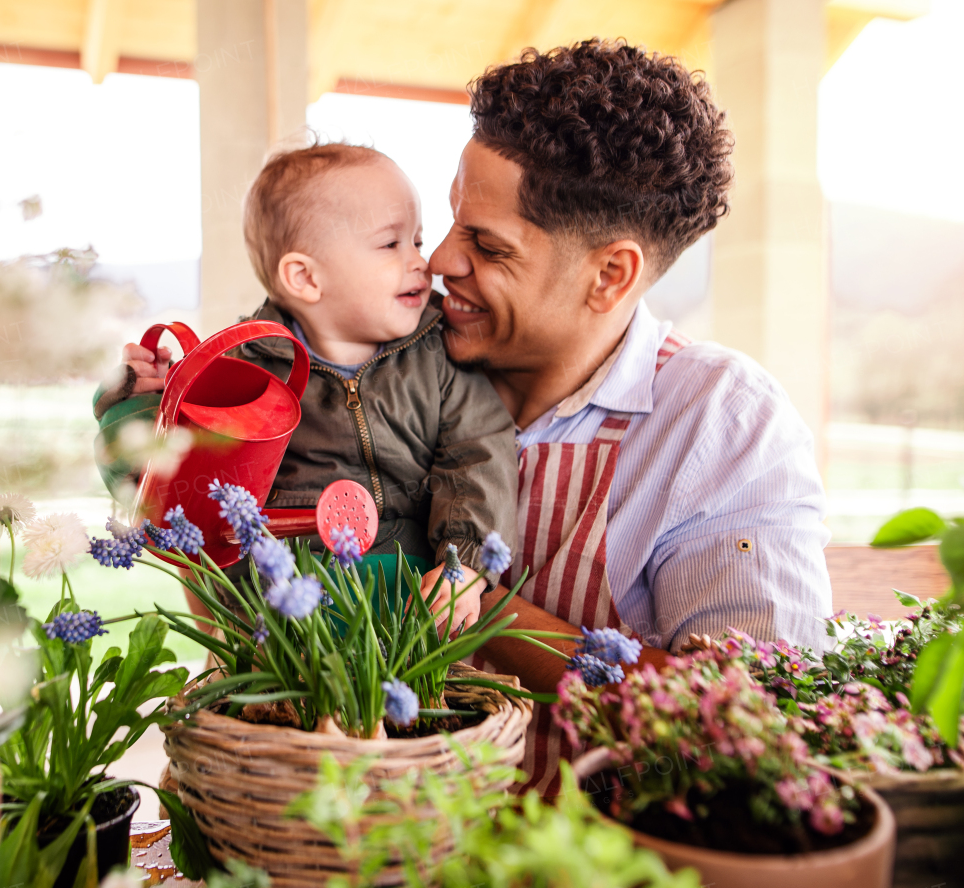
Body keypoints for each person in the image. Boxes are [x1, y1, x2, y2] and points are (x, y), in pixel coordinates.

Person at [434, 40, 832, 792]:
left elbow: (740, 724)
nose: (439, 262)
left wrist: (480, 605)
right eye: (452, 221)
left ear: (609, 275)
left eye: (486, 245)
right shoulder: (403, 358)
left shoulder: (721, 424)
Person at [94, 142, 518, 616]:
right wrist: (135, 403)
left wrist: (468, 562)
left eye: (417, 241)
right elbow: (172, 478)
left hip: (409, 601)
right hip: (281, 609)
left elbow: (479, 452)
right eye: (391, 244)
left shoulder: (438, 351)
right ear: (305, 278)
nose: (422, 261)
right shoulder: (244, 369)